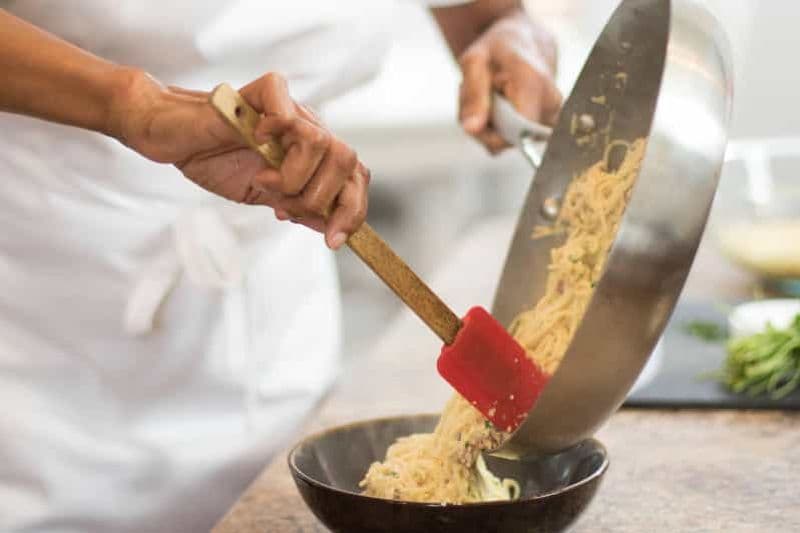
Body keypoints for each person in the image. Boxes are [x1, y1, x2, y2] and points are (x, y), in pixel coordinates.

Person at [0, 1, 560, 531]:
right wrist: (137, 105)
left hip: (278, 303)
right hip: (58, 332)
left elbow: (485, 15)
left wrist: (510, 35)